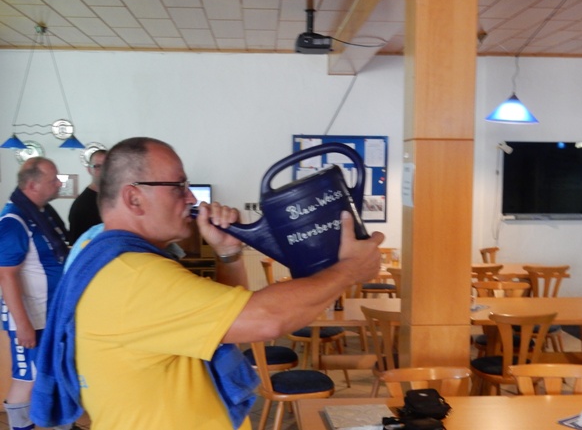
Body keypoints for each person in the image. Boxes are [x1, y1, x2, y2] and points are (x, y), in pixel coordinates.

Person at [32, 137, 384, 430]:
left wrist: (228, 254)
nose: (191, 198)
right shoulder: (134, 275)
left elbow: (224, 326)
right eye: (178, 187)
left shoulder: (117, 261)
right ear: (133, 198)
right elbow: (266, 319)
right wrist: (349, 270)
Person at [0, 157, 73, 430]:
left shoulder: (42, 214)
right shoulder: (13, 221)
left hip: (50, 315)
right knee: (27, 379)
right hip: (30, 318)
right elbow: (6, 275)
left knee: (51, 375)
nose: (59, 183)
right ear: (32, 185)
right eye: (53, 180)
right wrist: (23, 326)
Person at [67, 149, 107, 244]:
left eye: (107, 166)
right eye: (97, 166)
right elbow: (76, 246)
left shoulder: (115, 198)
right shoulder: (81, 206)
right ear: (89, 170)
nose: (103, 171)